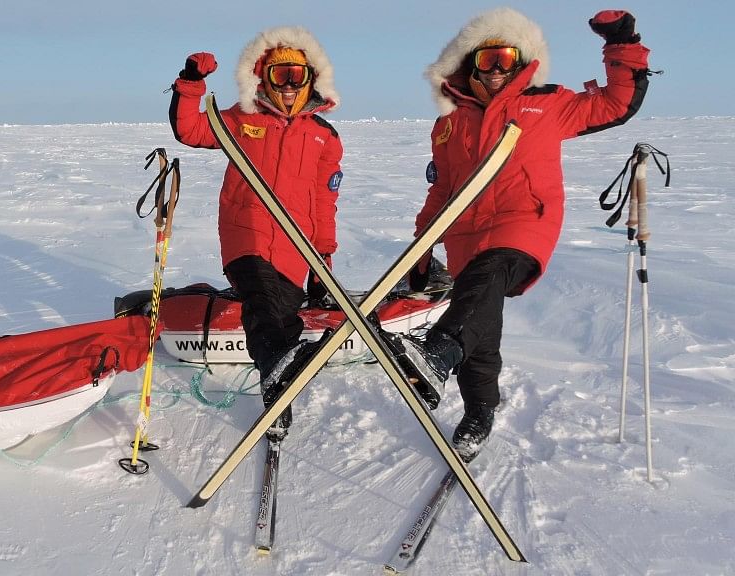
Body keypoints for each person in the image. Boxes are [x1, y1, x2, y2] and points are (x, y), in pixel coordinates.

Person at [388, 8, 652, 460]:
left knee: (489, 277)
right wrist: (420, 245)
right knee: (481, 326)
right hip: (465, 233)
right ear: (469, 64)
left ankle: (435, 354)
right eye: (486, 61)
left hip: (524, 222)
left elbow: (615, 103)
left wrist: (621, 44)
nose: (496, 71)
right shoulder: (448, 124)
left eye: (505, 59)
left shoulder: (548, 103)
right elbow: (443, 189)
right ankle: (479, 410)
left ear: (521, 61)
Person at [169, 27, 343, 437]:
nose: (287, 87)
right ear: (263, 78)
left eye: (296, 77)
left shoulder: (325, 137)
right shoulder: (241, 119)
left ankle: (277, 396)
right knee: (262, 304)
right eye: (278, 76)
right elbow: (190, 130)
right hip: (245, 234)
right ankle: (287, 368)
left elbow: (324, 202)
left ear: (311, 80)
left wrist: (323, 258)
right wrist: (192, 83)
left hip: (295, 246)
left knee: (281, 318)